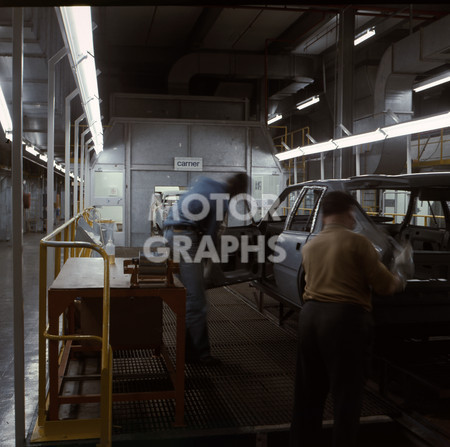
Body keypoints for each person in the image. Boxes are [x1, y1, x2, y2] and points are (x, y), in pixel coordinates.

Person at [289, 190, 405, 447]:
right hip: (344, 322)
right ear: (348, 212)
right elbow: (384, 285)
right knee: (346, 398)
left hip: (309, 318)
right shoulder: (357, 242)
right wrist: (400, 277)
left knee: (308, 395)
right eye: (354, 213)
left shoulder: (311, 245)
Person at [163, 173, 249, 366]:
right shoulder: (222, 201)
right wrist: (213, 271)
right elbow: (209, 239)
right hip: (185, 238)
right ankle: (199, 355)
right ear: (236, 190)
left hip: (169, 233)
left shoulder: (204, 181)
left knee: (187, 297)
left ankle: (187, 349)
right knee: (197, 300)